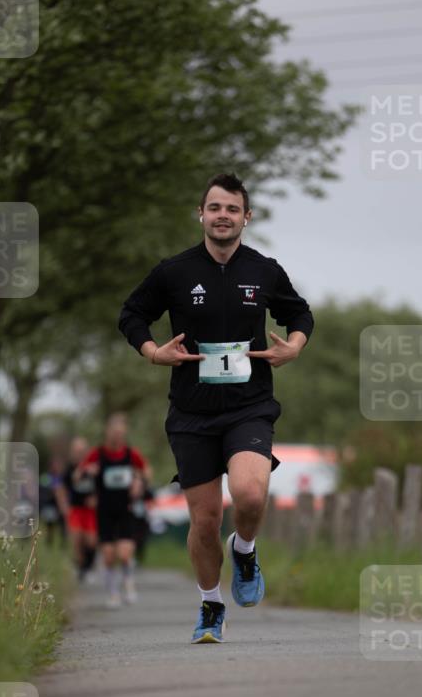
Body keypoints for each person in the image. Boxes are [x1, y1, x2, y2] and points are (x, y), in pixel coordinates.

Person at [118, 172, 313, 643]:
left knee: (249, 494)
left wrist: (295, 346)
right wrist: (152, 352)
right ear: (201, 215)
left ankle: (244, 550)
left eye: (231, 208)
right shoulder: (174, 272)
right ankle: (210, 606)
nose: (222, 216)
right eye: (214, 208)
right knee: (204, 521)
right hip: (191, 413)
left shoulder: (264, 270)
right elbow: (132, 314)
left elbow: (299, 312)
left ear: (246, 217)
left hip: (249, 406)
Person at [76, 413, 149, 609]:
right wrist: (88, 471)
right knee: (108, 555)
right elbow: (77, 476)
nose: (117, 436)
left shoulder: (131, 454)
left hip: (126, 508)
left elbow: (146, 471)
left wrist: (138, 481)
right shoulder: (97, 454)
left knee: (124, 554)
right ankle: (113, 593)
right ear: (107, 432)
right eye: (114, 432)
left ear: (124, 433)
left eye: (120, 433)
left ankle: (129, 585)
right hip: (104, 510)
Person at [57, 437, 97, 581]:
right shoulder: (69, 469)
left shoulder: (94, 467)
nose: (80, 453)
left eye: (82, 450)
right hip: (75, 509)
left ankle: (89, 564)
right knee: (76, 540)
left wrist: (97, 499)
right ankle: (81, 569)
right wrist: (64, 506)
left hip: (91, 511)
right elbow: (60, 488)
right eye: (77, 450)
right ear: (72, 451)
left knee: (91, 541)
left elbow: (103, 486)